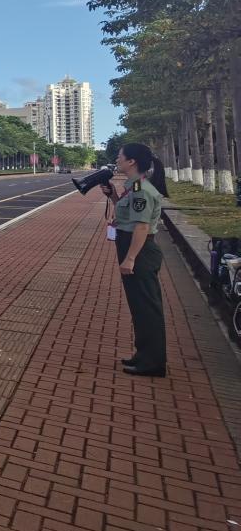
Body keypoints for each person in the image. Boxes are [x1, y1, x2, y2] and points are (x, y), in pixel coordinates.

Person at [100, 142, 168, 377]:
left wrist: (130, 258)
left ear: (132, 161)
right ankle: (144, 355)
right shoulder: (135, 186)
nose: (117, 160)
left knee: (146, 307)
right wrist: (113, 195)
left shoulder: (141, 190)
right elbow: (127, 214)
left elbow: (141, 227)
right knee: (139, 307)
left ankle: (152, 362)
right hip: (132, 246)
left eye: (120, 156)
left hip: (139, 250)